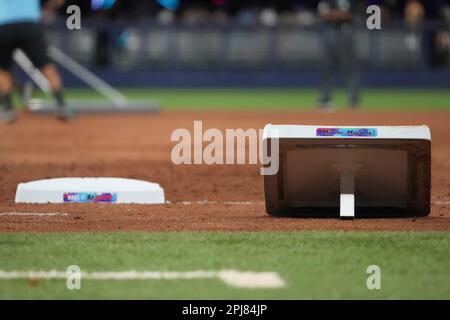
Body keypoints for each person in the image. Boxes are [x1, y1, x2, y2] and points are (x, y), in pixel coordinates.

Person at [0, 0, 74, 123]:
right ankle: (61, 106)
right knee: (46, 66)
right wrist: (48, 10)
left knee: (3, 69)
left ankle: (8, 109)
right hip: (29, 24)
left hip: (3, 24)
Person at [317, 0, 361, 110]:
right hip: (329, 33)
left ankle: (353, 100)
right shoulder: (327, 1)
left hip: (345, 33)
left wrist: (332, 14)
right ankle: (325, 99)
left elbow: (349, 15)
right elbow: (323, 15)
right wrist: (339, 14)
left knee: (349, 67)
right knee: (326, 67)